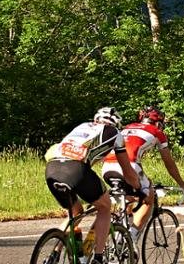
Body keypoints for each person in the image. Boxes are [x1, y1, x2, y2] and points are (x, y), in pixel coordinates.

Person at [45, 107, 141, 264]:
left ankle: (54, 254)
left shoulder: (82, 126)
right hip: (75, 169)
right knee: (105, 207)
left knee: (76, 213)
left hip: (52, 168)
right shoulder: (115, 133)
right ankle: (98, 257)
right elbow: (128, 171)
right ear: (116, 124)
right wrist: (138, 188)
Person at [101, 105, 184, 236]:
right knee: (148, 197)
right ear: (158, 123)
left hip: (107, 167)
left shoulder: (126, 127)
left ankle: (121, 234)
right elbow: (168, 162)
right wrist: (181, 183)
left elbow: (130, 154)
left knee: (130, 197)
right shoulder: (157, 132)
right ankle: (131, 238)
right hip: (129, 166)